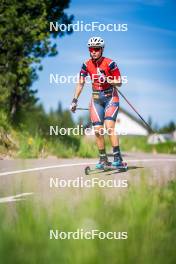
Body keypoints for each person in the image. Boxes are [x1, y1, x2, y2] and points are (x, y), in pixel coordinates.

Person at [70, 36, 126, 169]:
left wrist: (107, 79)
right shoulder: (86, 64)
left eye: (96, 49)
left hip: (111, 97)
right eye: (91, 49)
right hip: (96, 99)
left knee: (109, 127)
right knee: (97, 130)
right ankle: (103, 159)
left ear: (101, 49)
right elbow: (81, 83)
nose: (93, 51)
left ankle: (117, 157)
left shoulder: (110, 63)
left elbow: (119, 82)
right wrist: (74, 100)